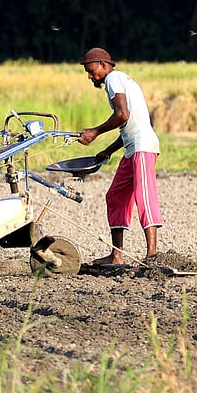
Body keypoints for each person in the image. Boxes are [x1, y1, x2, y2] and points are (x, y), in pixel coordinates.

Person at [77, 47, 163, 265]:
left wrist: (95, 132)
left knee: (144, 196)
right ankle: (116, 256)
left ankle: (152, 254)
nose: (90, 76)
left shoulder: (113, 78)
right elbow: (128, 124)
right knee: (115, 195)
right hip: (132, 146)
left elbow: (122, 115)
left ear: (104, 65)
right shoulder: (119, 80)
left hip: (142, 146)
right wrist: (108, 150)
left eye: (91, 71)